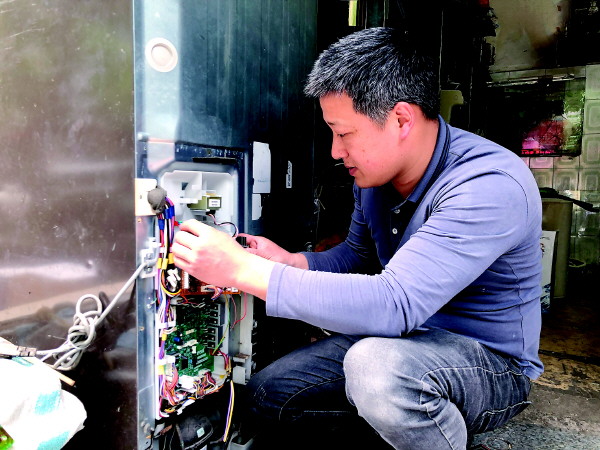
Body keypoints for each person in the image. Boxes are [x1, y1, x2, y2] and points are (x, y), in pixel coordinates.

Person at [172, 27, 543, 450]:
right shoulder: (373, 181)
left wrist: (242, 270)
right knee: (267, 394)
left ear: (401, 119)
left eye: (344, 133)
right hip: (405, 342)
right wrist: (288, 262)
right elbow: (356, 256)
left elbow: (394, 304)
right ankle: (411, 425)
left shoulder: (488, 184)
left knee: (377, 372)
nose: (335, 150)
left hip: (487, 361)